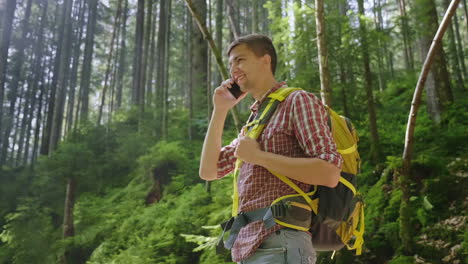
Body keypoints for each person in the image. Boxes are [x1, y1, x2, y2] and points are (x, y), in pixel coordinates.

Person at [199, 34, 343, 264]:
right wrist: (220, 110)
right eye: (231, 64)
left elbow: (329, 172)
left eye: (240, 60)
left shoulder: (297, 101)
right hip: (247, 249)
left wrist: (258, 157)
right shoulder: (254, 124)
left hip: (282, 242)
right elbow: (208, 170)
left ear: (265, 61)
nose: (233, 69)